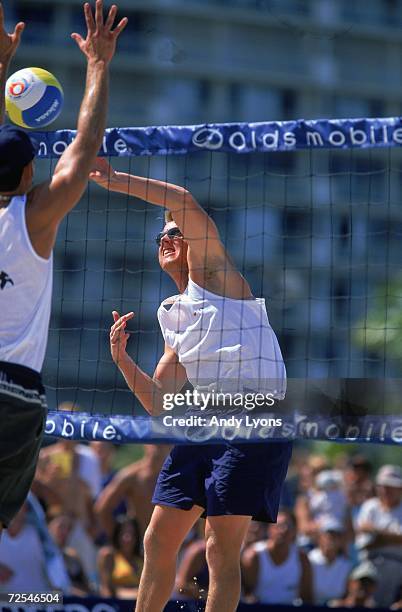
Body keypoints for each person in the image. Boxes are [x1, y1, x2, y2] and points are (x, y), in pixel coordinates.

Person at [90, 158, 293, 612]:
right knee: (158, 537)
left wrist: (113, 179)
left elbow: (181, 199)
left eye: (174, 233)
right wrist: (122, 361)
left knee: (219, 547)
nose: (166, 239)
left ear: (192, 243)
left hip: (254, 421)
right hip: (204, 422)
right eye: (160, 236)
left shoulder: (217, 278)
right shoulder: (172, 314)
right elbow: (162, 407)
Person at [0, 1, 127, 536]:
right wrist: (98, 64)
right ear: (31, 170)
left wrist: (2, 68)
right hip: (13, 392)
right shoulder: (33, 217)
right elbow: (84, 146)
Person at [95, 444, 171, 540]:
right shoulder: (132, 476)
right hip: (139, 542)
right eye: (156, 441)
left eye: (164, 442)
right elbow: (102, 508)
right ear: (146, 444)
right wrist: (118, 539)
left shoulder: (177, 477)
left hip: (170, 542)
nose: (159, 446)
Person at [241, 509, 312, 605]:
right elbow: (246, 595)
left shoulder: (302, 559)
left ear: (294, 531)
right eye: (279, 526)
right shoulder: (253, 557)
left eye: (288, 526)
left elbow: (307, 598)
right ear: (269, 529)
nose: (283, 530)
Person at [355, 464, 402, 607]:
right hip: (370, 565)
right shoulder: (370, 506)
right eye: (382, 485)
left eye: (390, 486)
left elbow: (372, 537)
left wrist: (376, 532)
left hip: (397, 566)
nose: (385, 490)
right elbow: (364, 543)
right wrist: (392, 537)